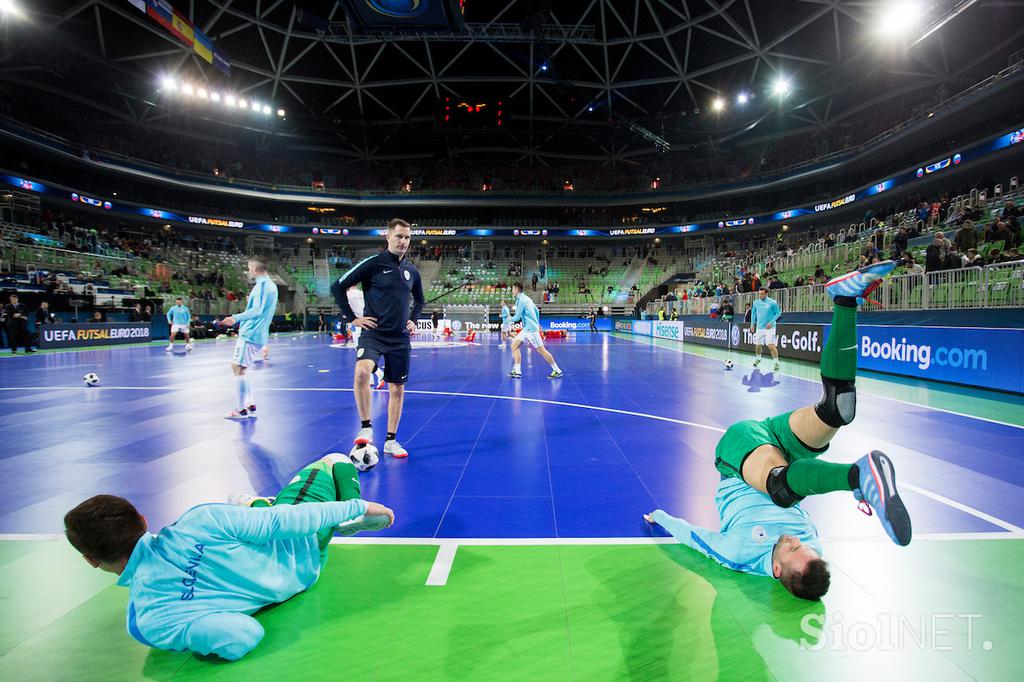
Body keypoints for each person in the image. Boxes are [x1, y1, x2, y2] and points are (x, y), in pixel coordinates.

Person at [646, 261, 911, 600]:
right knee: (838, 409)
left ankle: (856, 477)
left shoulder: (738, 554)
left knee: (779, 488)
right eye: (805, 547)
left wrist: (661, 517)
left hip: (739, 459)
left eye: (790, 550)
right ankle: (844, 301)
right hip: (786, 456)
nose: (795, 541)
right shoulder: (810, 547)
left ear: (774, 570)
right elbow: (803, 525)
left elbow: (695, 538)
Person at [62, 452, 395, 661]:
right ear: (144, 521)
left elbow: (241, 636)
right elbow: (283, 521)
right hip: (306, 540)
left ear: (90, 559)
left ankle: (253, 504)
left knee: (260, 511)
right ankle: (346, 516)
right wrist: (359, 505)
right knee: (334, 460)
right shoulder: (202, 519)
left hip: (306, 576)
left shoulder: (153, 620)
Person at [330, 219, 424, 459]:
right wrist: (352, 318)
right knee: (362, 373)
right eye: (399, 236)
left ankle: (391, 441)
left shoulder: (412, 271)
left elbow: (420, 299)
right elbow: (337, 286)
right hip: (374, 334)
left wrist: (413, 318)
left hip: (400, 338)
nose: (403, 241)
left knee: (397, 388)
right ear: (388, 237)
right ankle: (366, 425)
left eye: (407, 237)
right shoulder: (373, 264)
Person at [220, 256, 279, 420]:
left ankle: (240, 409)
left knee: (237, 368)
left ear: (254, 269)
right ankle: (249, 404)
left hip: (250, 333)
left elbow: (257, 311)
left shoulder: (261, 286)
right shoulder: (271, 286)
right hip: (258, 333)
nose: (248, 271)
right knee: (240, 368)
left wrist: (235, 318)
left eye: (249, 268)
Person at [507, 282, 563, 379]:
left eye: (513, 289)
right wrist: (537, 322)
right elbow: (536, 310)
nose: (512, 291)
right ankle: (517, 371)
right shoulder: (527, 298)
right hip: (526, 328)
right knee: (514, 346)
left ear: (517, 289)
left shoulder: (521, 300)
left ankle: (557, 370)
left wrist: (507, 318)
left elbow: (516, 317)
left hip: (531, 329)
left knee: (541, 350)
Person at [750, 288, 781, 372]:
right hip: (759, 328)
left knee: (771, 345)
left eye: (762, 294)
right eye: (759, 294)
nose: (760, 296)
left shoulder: (772, 302)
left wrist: (771, 322)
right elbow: (753, 314)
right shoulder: (756, 302)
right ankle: (758, 359)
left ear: (766, 294)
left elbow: (778, 313)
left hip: (770, 328)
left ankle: (776, 363)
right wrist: (752, 324)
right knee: (758, 346)